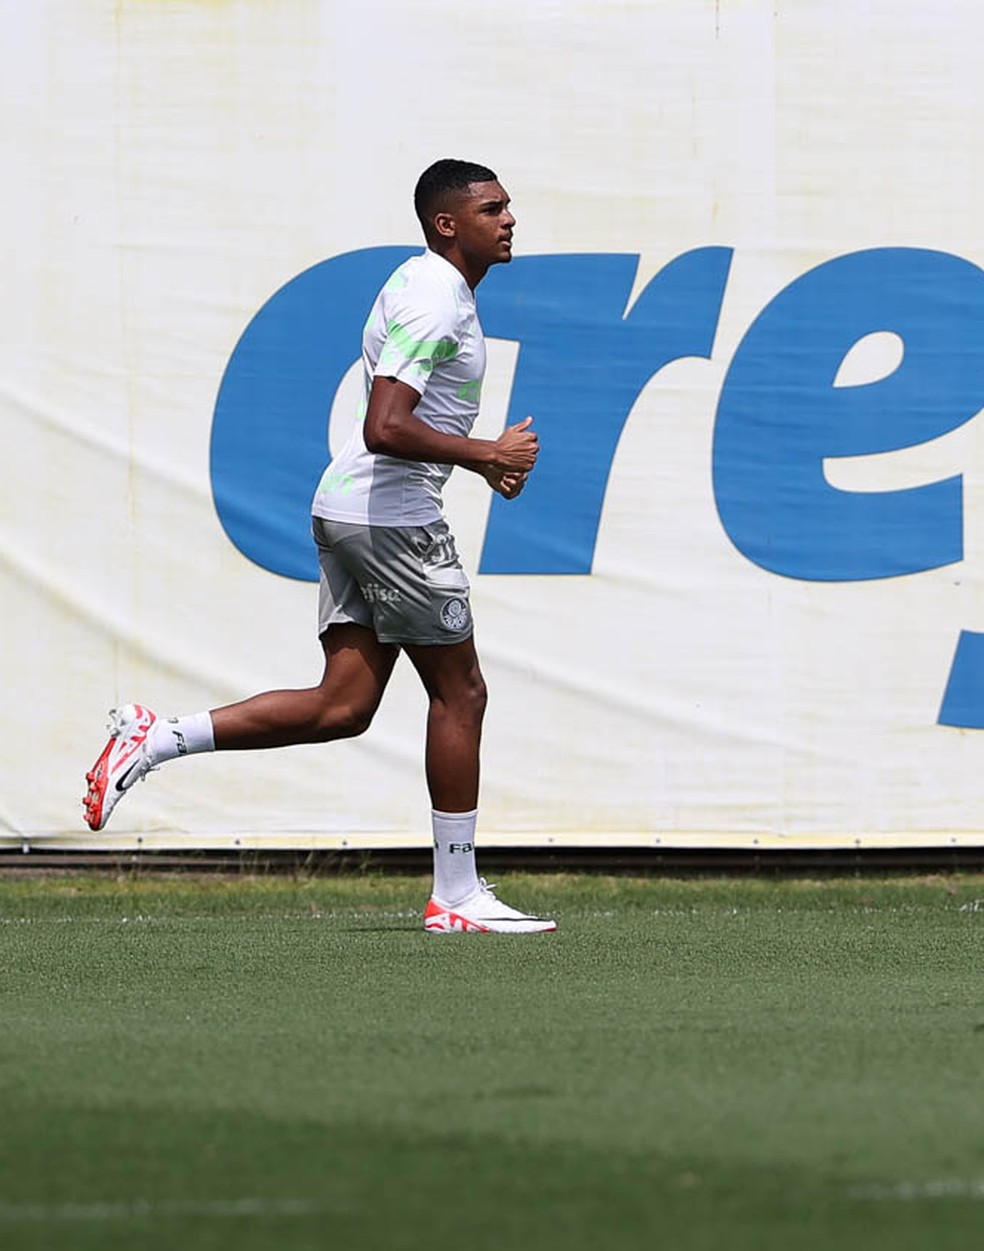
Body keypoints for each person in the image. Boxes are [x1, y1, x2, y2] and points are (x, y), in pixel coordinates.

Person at [83, 158, 557, 935]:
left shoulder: (430, 287)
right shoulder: (436, 297)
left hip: (355, 508)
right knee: (461, 692)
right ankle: (457, 894)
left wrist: (475, 462)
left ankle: (157, 736)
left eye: (508, 207)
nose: (509, 219)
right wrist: (487, 456)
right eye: (492, 208)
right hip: (390, 515)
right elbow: (385, 425)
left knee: (343, 704)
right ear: (448, 223)